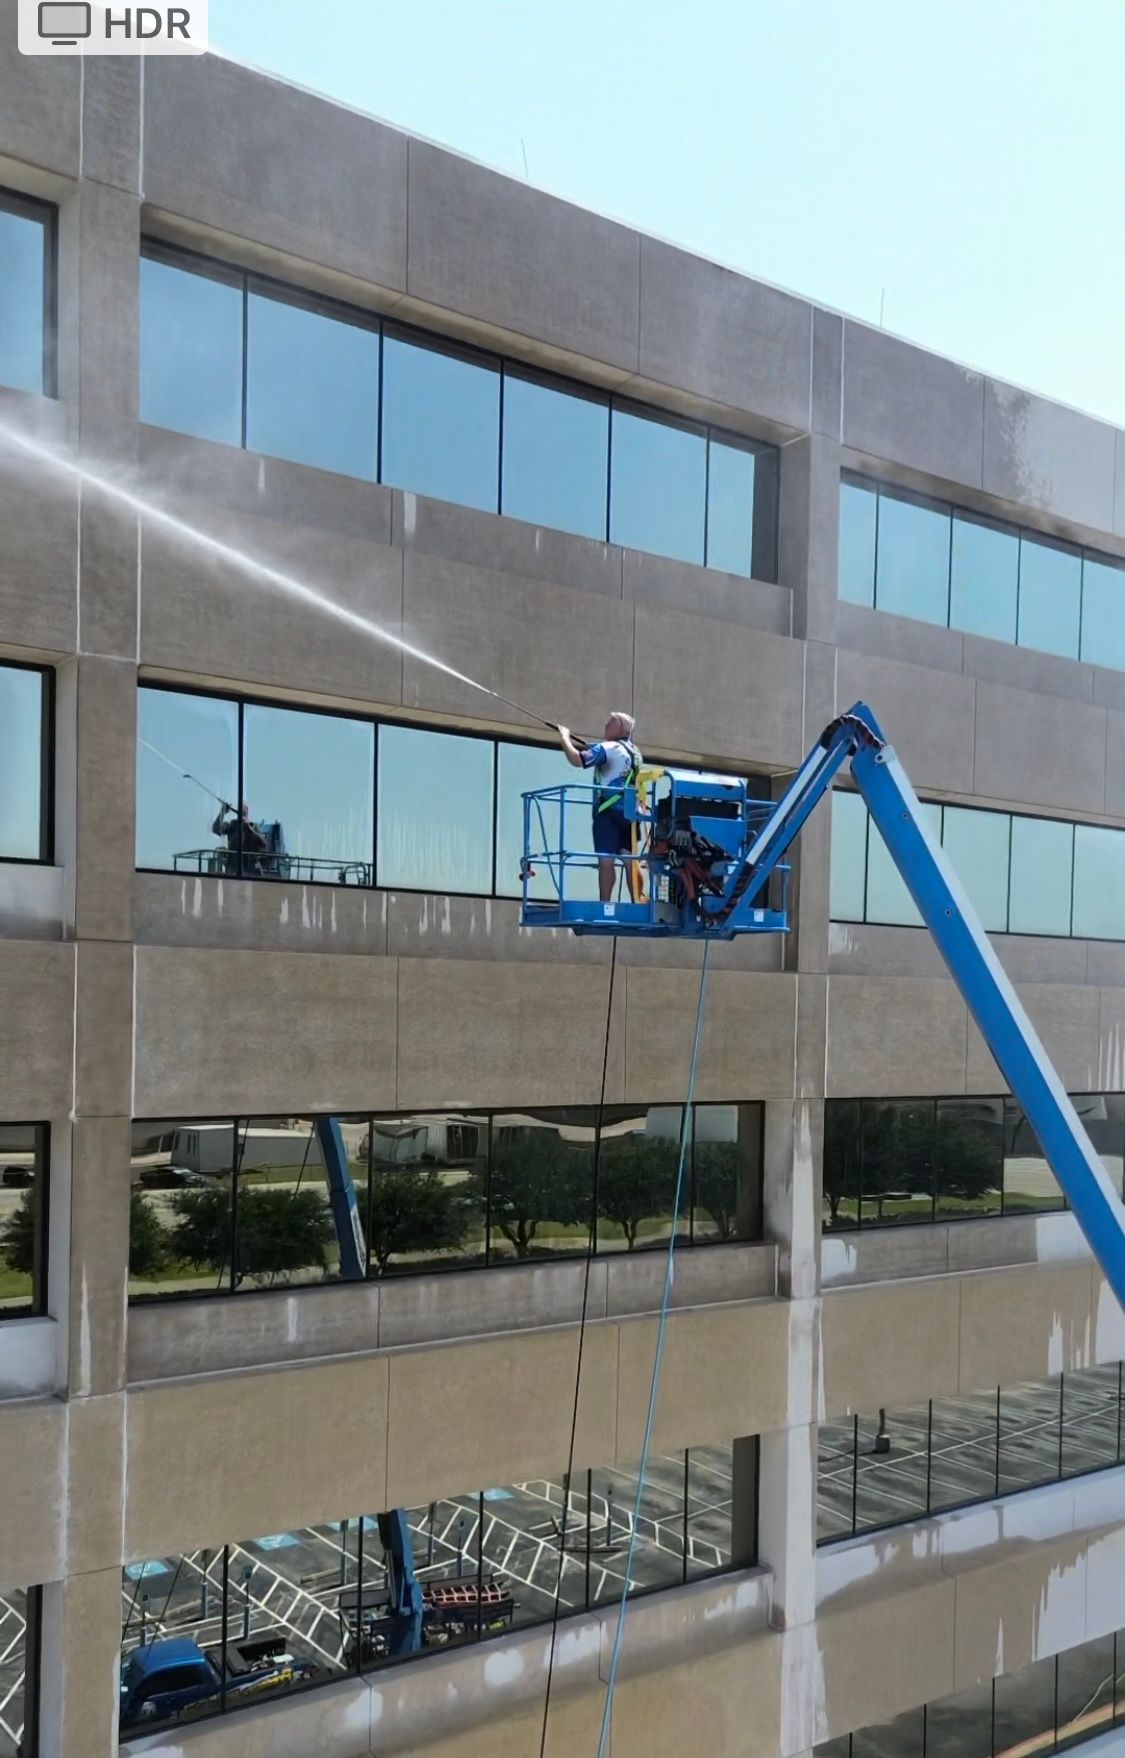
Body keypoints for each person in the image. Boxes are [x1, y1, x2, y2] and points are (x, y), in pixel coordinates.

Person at [557, 712, 642, 903]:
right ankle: (637, 902)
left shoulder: (609, 748)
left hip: (608, 812)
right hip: (631, 812)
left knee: (606, 861)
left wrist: (564, 737)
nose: (605, 725)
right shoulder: (634, 752)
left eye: (609, 722)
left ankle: (605, 904)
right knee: (630, 861)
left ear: (619, 726)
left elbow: (577, 760)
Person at [211, 801, 269, 876]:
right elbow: (216, 830)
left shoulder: (254, 826)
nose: (242, 816)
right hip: (234, 869)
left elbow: (264, 846)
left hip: (250, 869)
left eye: (244, 813)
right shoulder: (233, 825)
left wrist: (251, 831)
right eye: (240, 812)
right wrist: (222, 812)